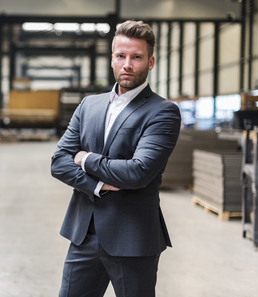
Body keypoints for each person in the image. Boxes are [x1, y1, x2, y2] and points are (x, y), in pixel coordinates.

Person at [50, 20, 181, 297]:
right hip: (84, 232)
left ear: (151, 61)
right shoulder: (89, 105)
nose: (127, 64)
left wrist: (85, 159)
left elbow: (138, 172)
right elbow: (59, 161)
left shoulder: (163, 112)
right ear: (112, 58)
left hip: (132, 237)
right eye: (121, 56)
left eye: (136, 57)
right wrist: (97, 185)